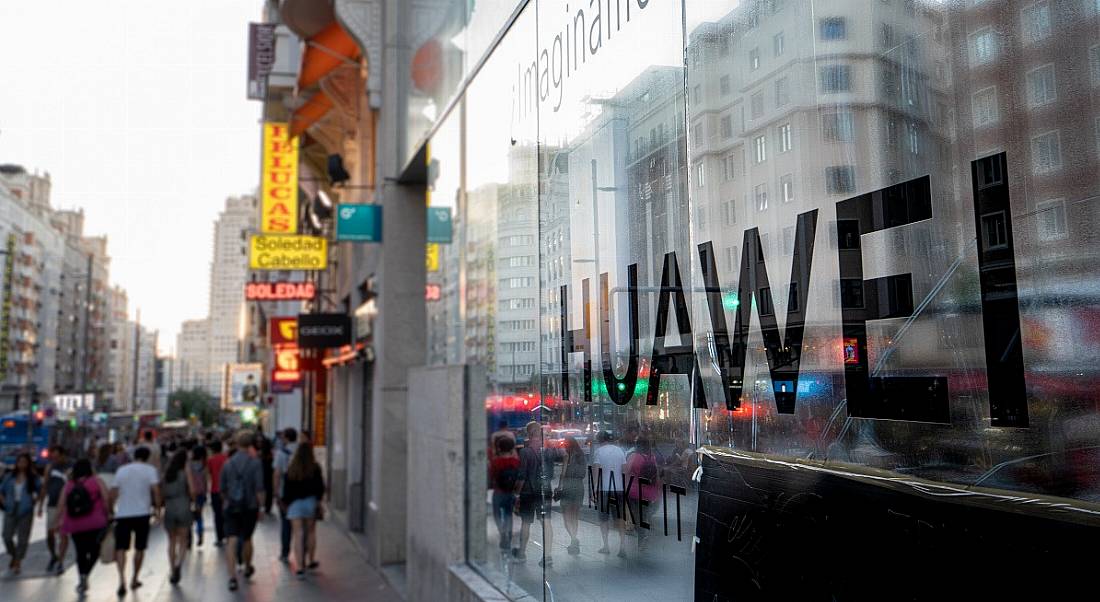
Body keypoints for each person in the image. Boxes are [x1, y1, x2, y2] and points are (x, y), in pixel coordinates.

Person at [110, 446, 161, 597]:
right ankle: (134, 578)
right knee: (140, 547)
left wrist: (110, 510)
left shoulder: (122, 470)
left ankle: (121, 580)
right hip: (142, 514)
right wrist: (158, 510)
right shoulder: (150, 470)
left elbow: (113, 492)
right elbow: (156, 491)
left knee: (121, 548)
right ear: (147, 457)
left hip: (123, 514)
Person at [220, 430, 265, 591]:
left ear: (237, 444)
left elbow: (222, 488)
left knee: (231, 541)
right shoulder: (255, 463)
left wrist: (227, 499)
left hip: (231, 506)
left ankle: (232, 577)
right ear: (250, 445)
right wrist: (262, 507)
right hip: (250, 506)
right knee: (247, 538)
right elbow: (259, 487)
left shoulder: (228, 463)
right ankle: (247, 566)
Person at [58, 458, 110, 595]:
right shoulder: (97, 481)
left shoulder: (69, 485)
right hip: (96, 523)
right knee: (95, 551)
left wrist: (58, 521)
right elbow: (106, 498)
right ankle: (86, 574)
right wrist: (108, 513)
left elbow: (61, 503)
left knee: (80, 552)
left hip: (75, 523)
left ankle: (82, 577)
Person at [514, 421, 555, 567]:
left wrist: (516, 495)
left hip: (528, 492)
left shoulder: (525, 452)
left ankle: (521, 554)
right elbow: (551, 473)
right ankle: (548, 556)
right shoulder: (548, 451)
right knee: (547, 522)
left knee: (526, 523)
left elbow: (522, 476)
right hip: (545, 491)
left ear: (529, 434)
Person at [282, 442, 325, 580]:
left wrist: (286, 503)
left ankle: (300, 567)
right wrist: (318, 501)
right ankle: (311, 560)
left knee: (298, 534)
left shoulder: (292, 468)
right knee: (311, 532)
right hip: (310, 502)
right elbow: (320, 487)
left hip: (295, 504)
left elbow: (287, 488)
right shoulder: (315, 467)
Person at [0, 452, 41, 575]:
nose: (21, 464)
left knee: (23, 538)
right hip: (11, 508)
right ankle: (14, 555)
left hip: (26, 510)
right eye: (19, 461)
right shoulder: (9, 477)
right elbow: (1, 490)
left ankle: (18, 561)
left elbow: (41, 490)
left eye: (24, 462)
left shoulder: (33, 478)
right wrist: (5, 502)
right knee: (7, 536)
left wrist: (35, 502)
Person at [592, 430, 627, 557]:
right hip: (619, 489)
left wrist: (594, 489)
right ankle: (622, 546)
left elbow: (596, 471)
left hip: (604, 489)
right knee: (620, 518)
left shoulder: (599, 452)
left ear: (599, 440)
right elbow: (624, 470)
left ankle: (606, 546)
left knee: (603, 519)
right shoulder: (619, 450)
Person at [161, 449, 194, 584]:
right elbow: (192, 490)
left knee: (171, 541)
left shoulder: (167, 474)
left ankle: (172, 567)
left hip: (169, 507)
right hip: (183, 505)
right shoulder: (185, 472)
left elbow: (162, 491)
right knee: (183, 539)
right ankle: (179, 564)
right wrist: (194, 501)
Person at [38, 445, 70, 574]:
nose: (55, 459)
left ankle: (61, 561)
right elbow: (45, 486)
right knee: (50, 534)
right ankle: (53, 555)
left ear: (63, 455)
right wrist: (40, 505)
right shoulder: (50, 467)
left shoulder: (70, 467)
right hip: (52, 504)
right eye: (53, 456)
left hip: (67, 506)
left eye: (57, 456)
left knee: (63, 534)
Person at [625, 437, 661, 551]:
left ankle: (643, 536)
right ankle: (642, 540)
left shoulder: (634, 456)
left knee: (636, 517)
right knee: (644, 516)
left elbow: (626, 471)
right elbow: (657, 474)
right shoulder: (652, 457)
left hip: (634, 491)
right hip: (649, 492)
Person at [556, 436, 587, 555]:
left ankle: (573, 539)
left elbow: (563, 474)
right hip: (579, 486)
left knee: (566, 516)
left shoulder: (566, 456)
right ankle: (574, 539)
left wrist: (559, 487)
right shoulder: (581, 455)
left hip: (568, 486)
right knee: (575, 515)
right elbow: (583, 473)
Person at [488, 435, 520, 553]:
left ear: (499, 448)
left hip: (498, 492)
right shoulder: (515, 461)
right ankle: (509, 537)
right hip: (510, 493)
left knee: (497, 515)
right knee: (508, 515)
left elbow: (491, 477)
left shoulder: (496, 462)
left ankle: (502, 534)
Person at [272, 427, 298, 563]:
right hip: (301, 493)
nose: (281, 439)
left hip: (285, 493)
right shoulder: (302, 451)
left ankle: (285, 552)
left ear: (286, 438)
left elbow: (277, 474)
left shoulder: (281, 454)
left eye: (282, 437)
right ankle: (302, 552)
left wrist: (276, 493)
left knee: (286, 524)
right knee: (301, 526)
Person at [206, 439, 228, 547]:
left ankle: (219, 538)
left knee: (217, 515)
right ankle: (228, 534)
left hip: (215, 490)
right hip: (227, 490)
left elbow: (208, 475)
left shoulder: (210, 460)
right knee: (227, 514)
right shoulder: (227, 458)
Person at [188, 444, 210, 546]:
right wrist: (206, 492)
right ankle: (200, 533)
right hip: (200, 493)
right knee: (199, 515)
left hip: (189, 492)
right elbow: (206, 480)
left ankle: (188, 537)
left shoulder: (188, 465)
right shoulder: (204, 466)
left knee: (188, 515)